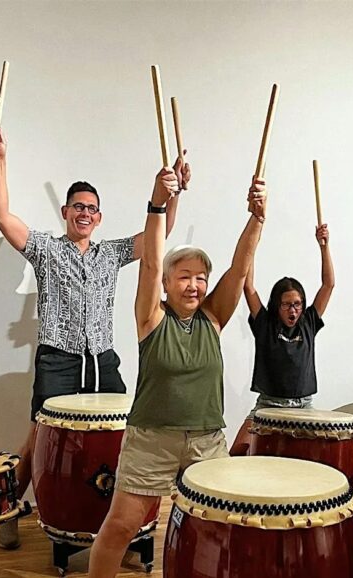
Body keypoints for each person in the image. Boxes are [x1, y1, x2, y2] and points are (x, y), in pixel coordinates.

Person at [0, 128, 189, 548]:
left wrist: (175, 191)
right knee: (38, 437)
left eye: (92, 209)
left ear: (98, 217)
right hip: (58, 359)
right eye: (78, 206)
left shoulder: (110, 253)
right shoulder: (45, 249)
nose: (85, 213)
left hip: (102, 359)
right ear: (66, 211)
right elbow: (2, 216)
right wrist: (1, 161)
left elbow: (159, 233)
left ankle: (116, 515)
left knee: (125, 433)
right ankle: (8, 511)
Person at [86, 169, 268, 578]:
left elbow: (239, 269)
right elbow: (149, 262)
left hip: (206, 440)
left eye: (200, 277)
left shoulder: (213, 318)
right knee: (119, 527)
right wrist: (156, 203)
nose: (194, 284)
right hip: (152, 440)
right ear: (167, 284)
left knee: (219, 529)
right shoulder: (151, 319)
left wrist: (256, 217)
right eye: (184, 276)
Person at [229, 222, 335, 455]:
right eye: (287, 304)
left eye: (297, 304)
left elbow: (328, 285)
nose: (293, 311)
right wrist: (253, 245)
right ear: (277, 305)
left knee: (307, 461)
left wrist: (323, 247)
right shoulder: (265, 324)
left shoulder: (308, 323)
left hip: (303, 406)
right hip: (268, 404)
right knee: (237, 451)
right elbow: (248, 286)